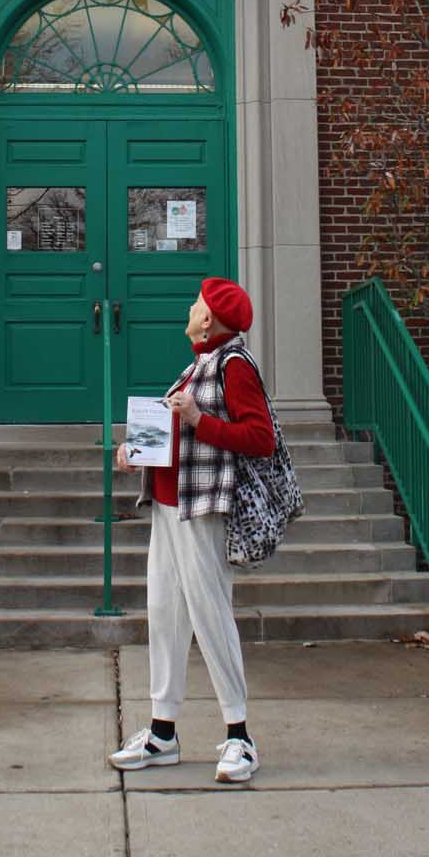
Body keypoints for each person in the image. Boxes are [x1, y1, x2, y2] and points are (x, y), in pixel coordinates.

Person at [109, 276, 274, 784]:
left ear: (209, 319)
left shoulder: (234, 366)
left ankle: (239, 737)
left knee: (210, 615)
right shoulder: (197, 365)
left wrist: (200, 420)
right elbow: (171, 432)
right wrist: (135, 454)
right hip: (167, 506)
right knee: (166, 616)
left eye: (197, 303)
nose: (189, 307)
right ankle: (162, 734)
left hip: (203, 510)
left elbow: (260, 437)